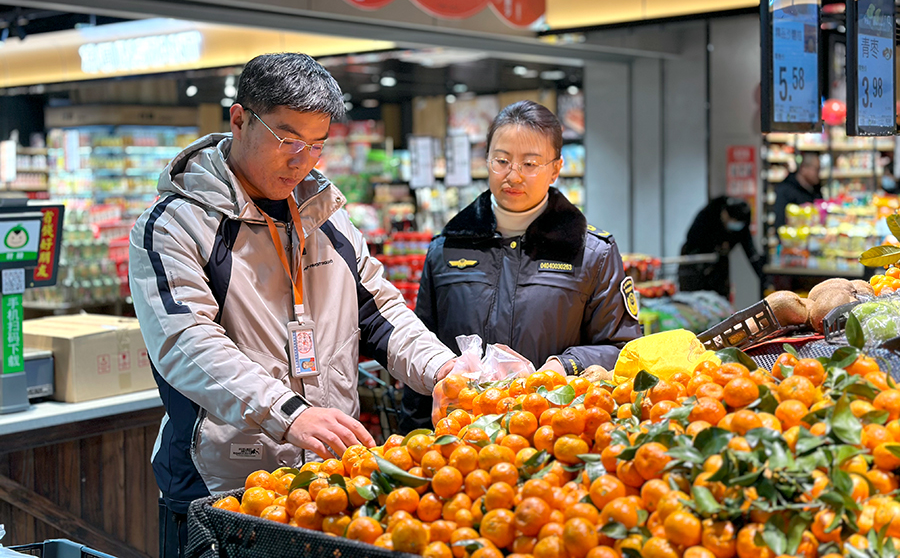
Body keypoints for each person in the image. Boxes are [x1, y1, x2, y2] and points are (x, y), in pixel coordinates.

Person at [128, 53, 457, 557]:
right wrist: (286, 412)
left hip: (323, 486)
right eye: (288, 140)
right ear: (238, 119)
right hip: (220, 492)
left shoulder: (325, 216)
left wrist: (443, 371)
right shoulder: (174, 225)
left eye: (317, 144)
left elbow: (380, 310)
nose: (302, 160)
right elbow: (185, 343)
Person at [400, 100, 642, 432]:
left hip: (554, 439)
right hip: (457, 449)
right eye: (501, 161)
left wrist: (565, 365)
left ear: (555, 169)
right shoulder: (447, 247)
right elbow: (420, 350)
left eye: (530, 163)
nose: (513, 175)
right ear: (486, 160)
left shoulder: (592, 253)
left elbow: (623, 349)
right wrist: (411, 441)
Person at [678, 196, 765, 298]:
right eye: (732, 220)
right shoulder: (708, 215)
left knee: (720, 299)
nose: (735, 225)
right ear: (724, 213)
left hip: (718, 267)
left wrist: (763, 279)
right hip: (695, 262)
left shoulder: (742, 222)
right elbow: (692, 239)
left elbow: (750, 251)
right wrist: (715, 246)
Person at [772, 151, 822, 229]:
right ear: (804, 168)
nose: (819, 173)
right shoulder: (786, 189)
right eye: (816, 169)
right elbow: (780, 222)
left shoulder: (816, 188)